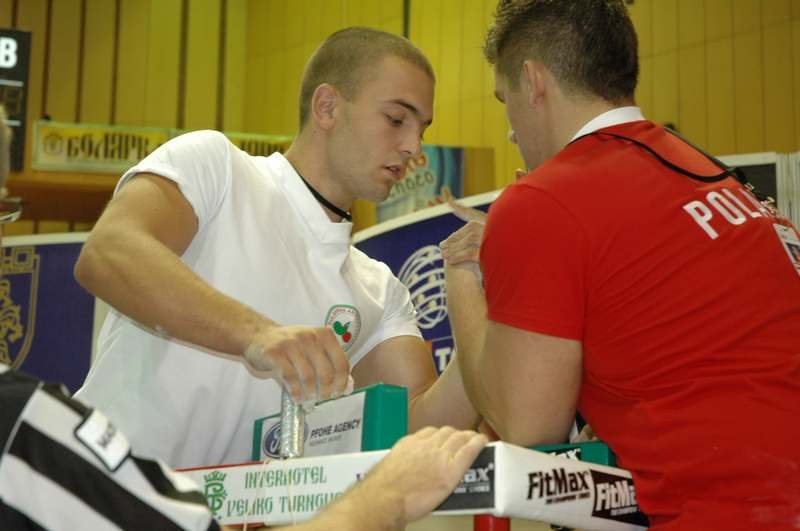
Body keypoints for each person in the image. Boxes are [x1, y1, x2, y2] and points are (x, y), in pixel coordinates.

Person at [441, 1, 800, 529]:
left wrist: (461, 278)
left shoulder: (545, 200)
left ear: (532, 81)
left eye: (505, 100)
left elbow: (526, 427)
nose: (512, 129)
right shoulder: (708, 174)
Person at [73, 27, 477, 469]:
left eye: (423, 128)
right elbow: (109, 251)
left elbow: (417, 434)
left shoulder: (378, 289)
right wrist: (258, 335)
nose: (414, 147)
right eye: (397, 119)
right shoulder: (218, 166)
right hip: (92, 490)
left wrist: (488, 303)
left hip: (210, 516)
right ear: (326, 107)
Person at [0, 364, 487, 531]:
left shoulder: (373, 281)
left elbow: (414, 411)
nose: (409, 147)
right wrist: (387, 496)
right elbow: (107, 252)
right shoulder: (23, 423)